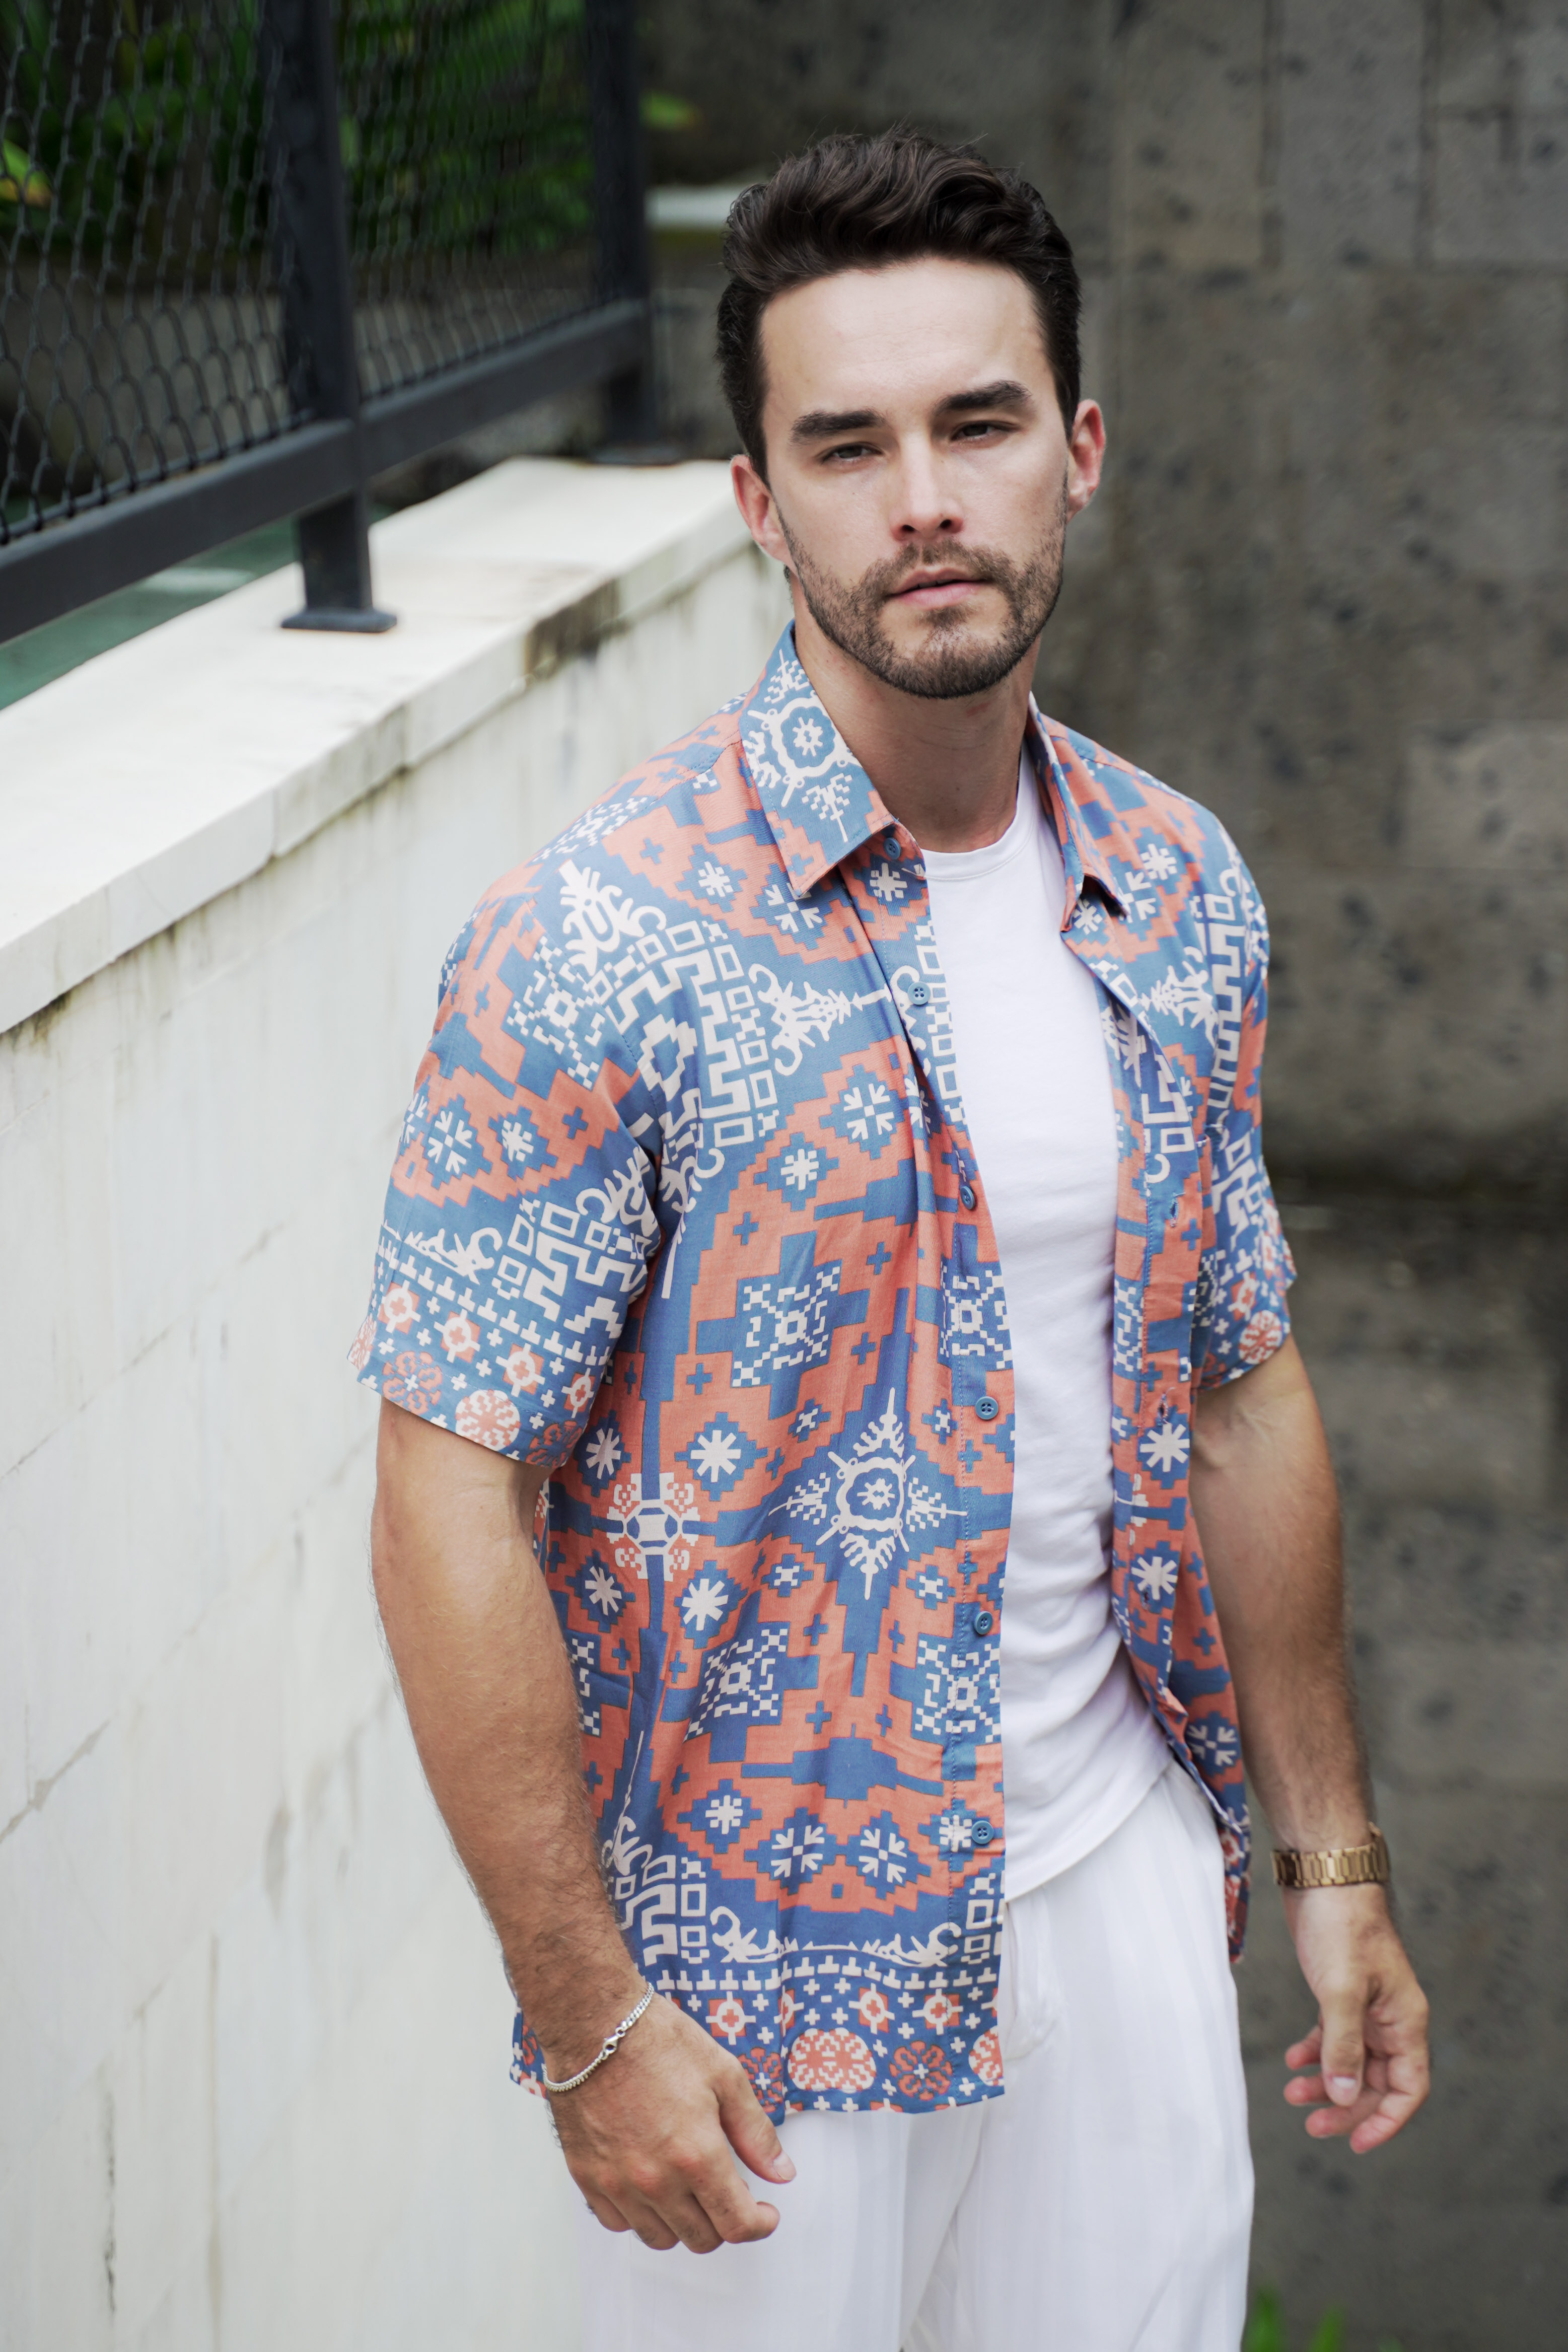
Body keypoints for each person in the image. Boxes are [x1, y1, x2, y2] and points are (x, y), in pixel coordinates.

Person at [355, 129, 1430, 2352]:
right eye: (845, 446)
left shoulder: (1176, 884)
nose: (921, 499)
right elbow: (450, 1491)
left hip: (1117, 1879)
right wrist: (583, 2015)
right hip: (743, 1974)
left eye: (976, 424)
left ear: (1078, 450)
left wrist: (1328, 1859)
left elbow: (1237, 1384)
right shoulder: (597, 934)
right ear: (759, 503)